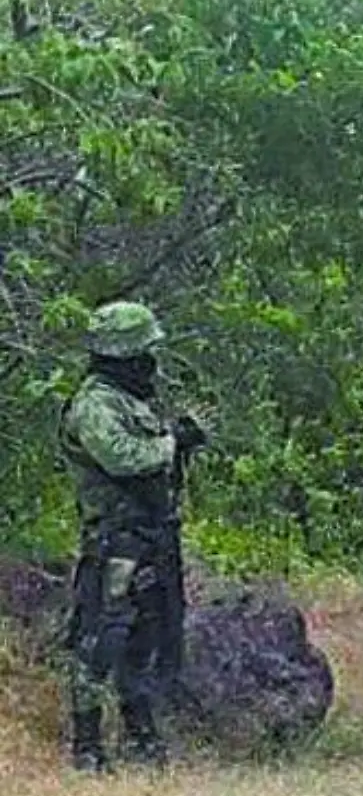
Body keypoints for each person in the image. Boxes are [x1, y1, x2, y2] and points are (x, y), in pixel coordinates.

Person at [58, 301, 207, 772]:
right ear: (124, 355)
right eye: (144, 352)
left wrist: (180, 440)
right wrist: (172, 443)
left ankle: (140, 733)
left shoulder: (130, 400)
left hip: (150, 537)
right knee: (101, 638)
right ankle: (87, 746)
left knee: (148, 637)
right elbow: (122, 458)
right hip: (115, 541)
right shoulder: (95, 404)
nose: (151, 362)